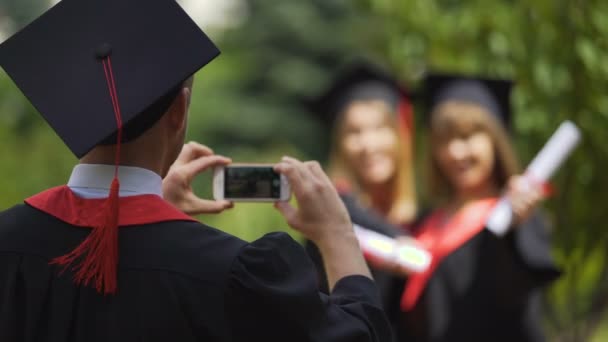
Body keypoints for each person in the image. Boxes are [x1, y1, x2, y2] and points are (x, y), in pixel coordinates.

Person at [0, 1, 392, 341]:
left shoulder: (8, 244)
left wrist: (159, 217)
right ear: (179, 111)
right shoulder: (231, 273)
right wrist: (337, 234)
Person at [395, 74, 562, 342]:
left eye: (469, 136)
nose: (456, 151)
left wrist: (514, 227)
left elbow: (516, 291)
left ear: (495, 141)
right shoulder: (426, 223)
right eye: (444, 139)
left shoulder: (513, 216)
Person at [305, 62, 420, 336]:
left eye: (381, 129)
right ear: (340, 143)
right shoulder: (332, 212)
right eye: (354, 132)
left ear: (401, 134)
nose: (369, 145)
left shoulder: (423, 215)